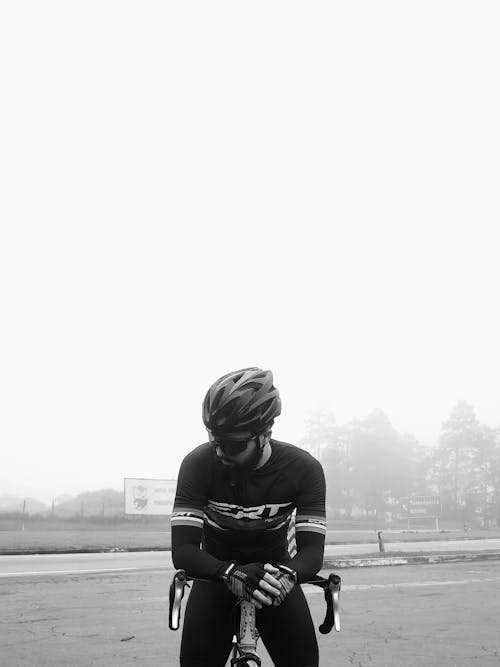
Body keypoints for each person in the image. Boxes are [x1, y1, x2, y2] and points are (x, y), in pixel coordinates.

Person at [171, 367, 327, 667]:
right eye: (214, 439)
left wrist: (288, 576)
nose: (219, 451)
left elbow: (311, 552)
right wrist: (229, 572)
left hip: (273, 577)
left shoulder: (303, 469)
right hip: (215, 574)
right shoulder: (196, 465)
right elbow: (183, 551)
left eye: (232, 444)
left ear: (265, 433)